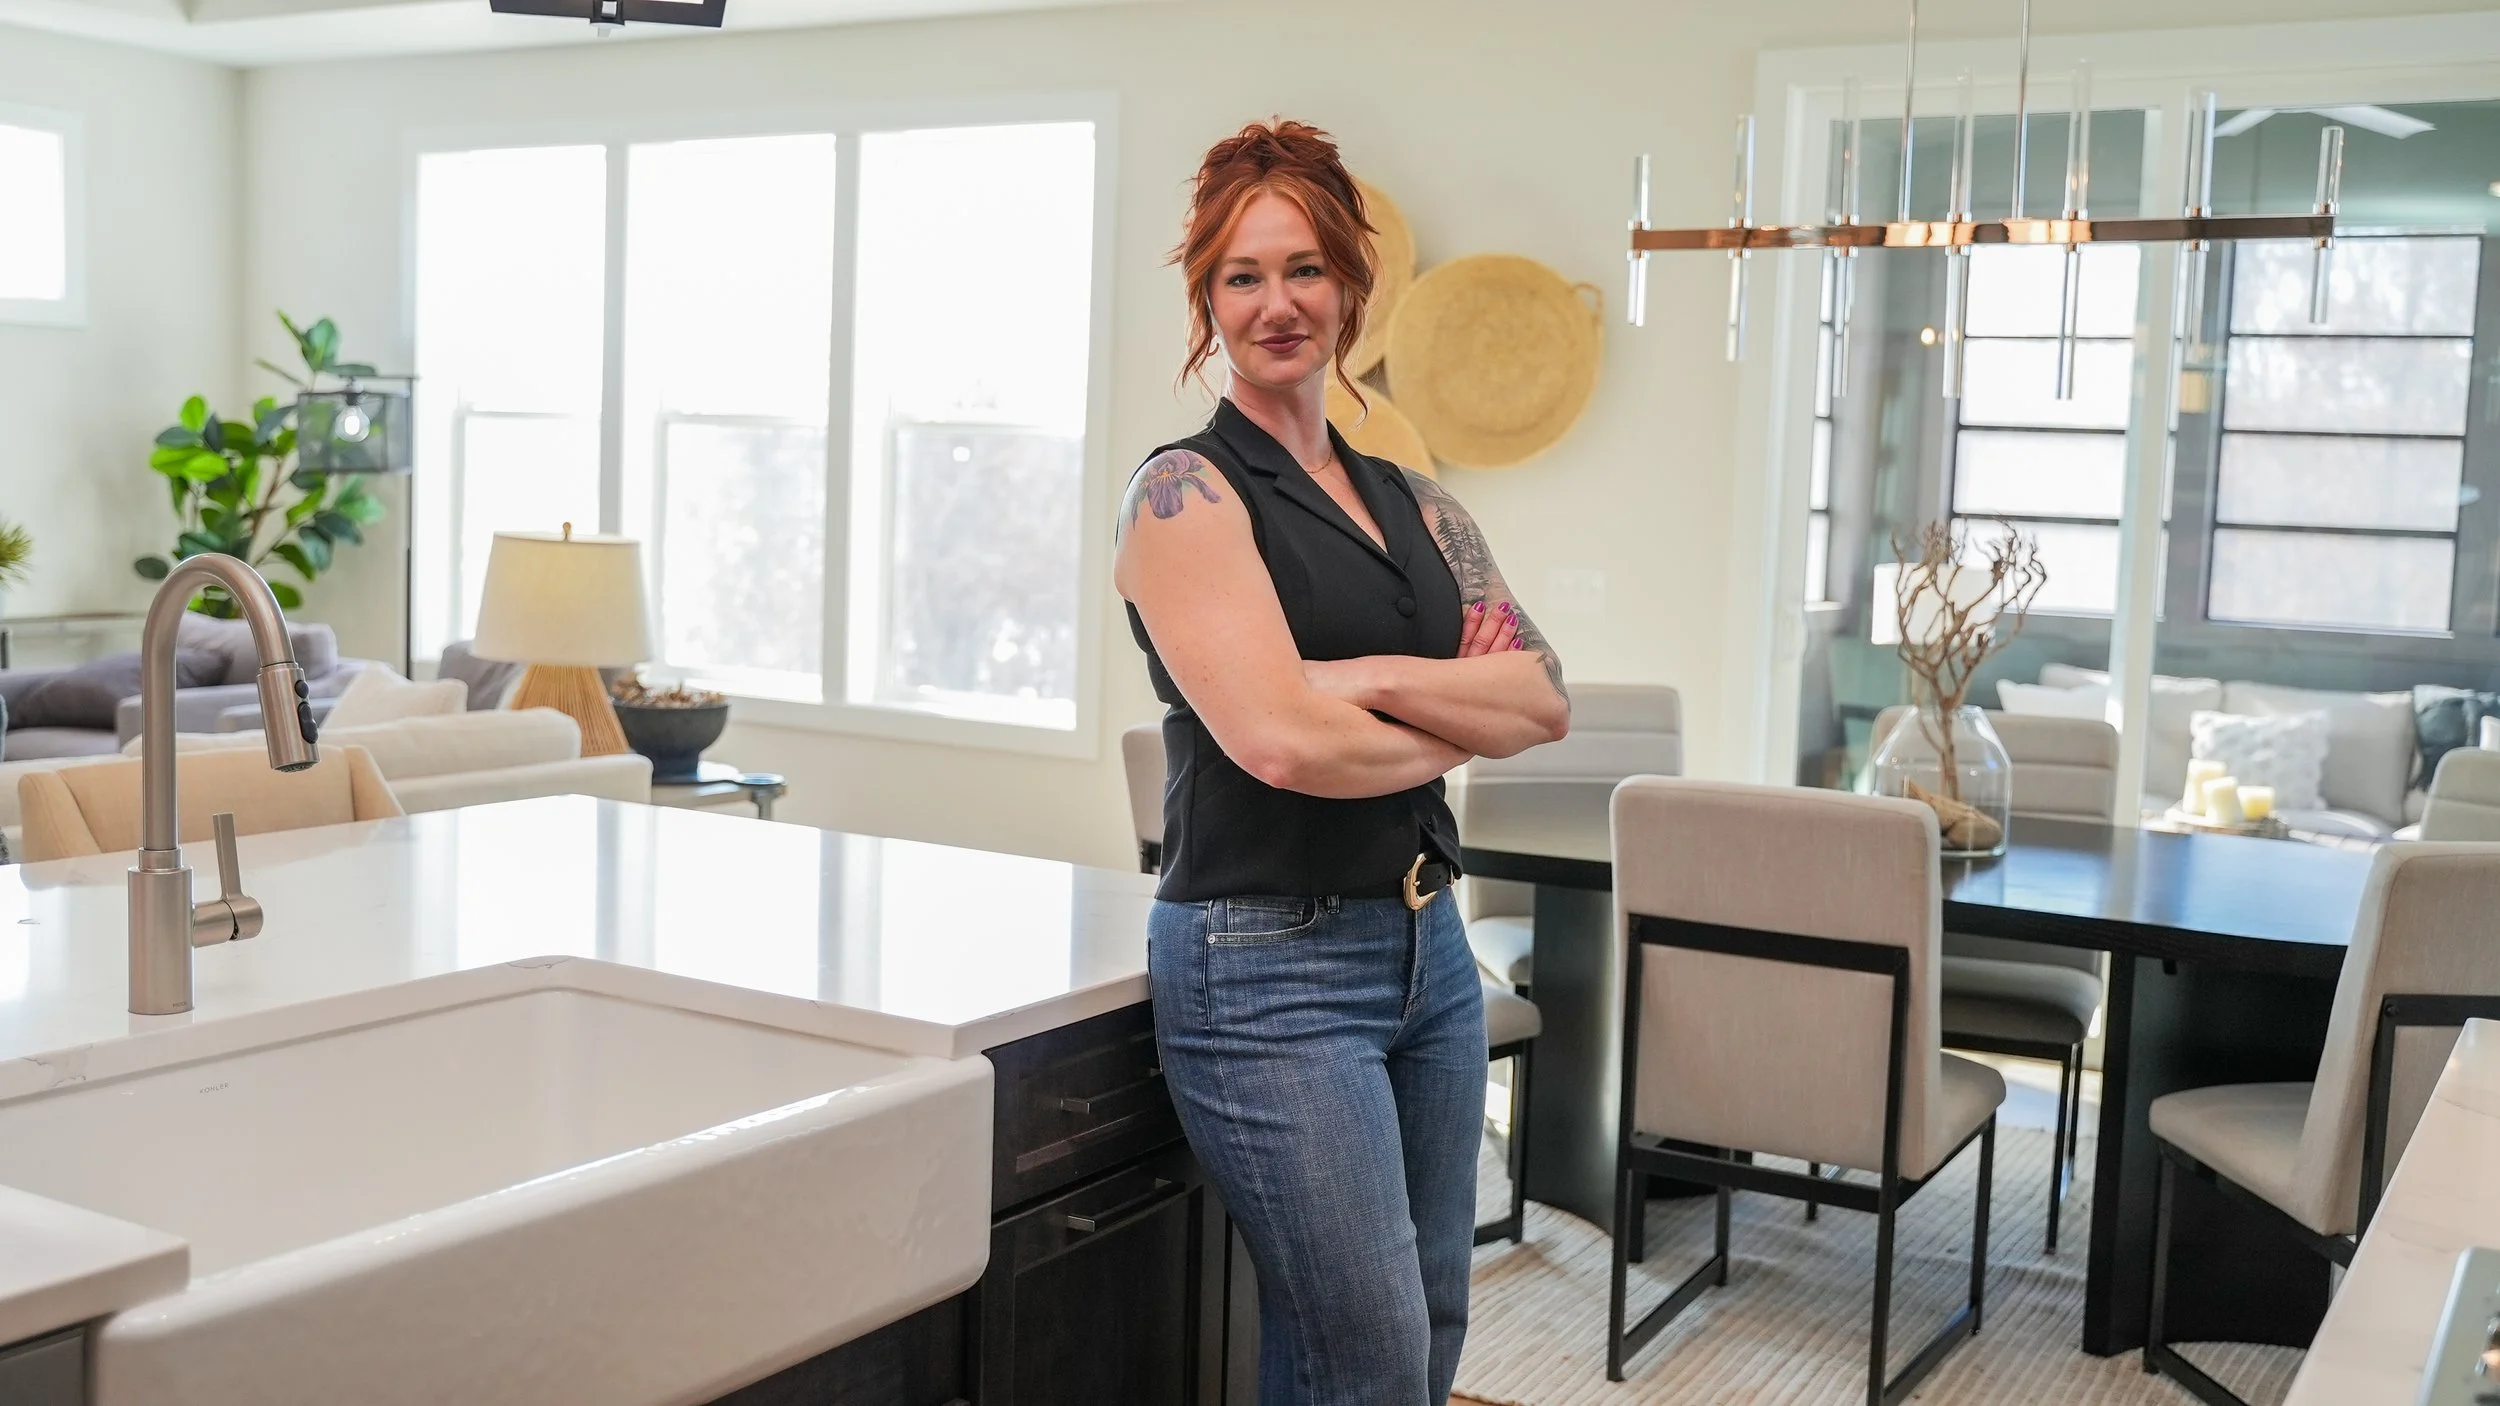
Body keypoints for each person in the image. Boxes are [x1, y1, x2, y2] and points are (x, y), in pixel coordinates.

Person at [1114, 118, 1571, 1406]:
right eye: (1244, 276)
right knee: (1361, 1355)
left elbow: (1539, 699)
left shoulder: (1419, 503)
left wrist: (1361, 680)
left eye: (1305, 269)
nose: (1278, 303)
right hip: (1267, 967)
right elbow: (1276, 744)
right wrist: (1438, 722)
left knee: (1426, 1327)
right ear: (1208, 301)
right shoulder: (1185, 497)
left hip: (1430, 951)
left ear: (1350, 290)